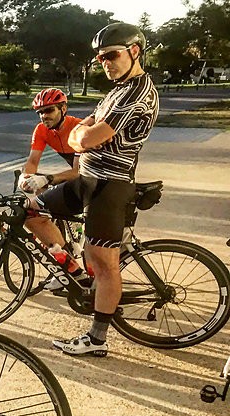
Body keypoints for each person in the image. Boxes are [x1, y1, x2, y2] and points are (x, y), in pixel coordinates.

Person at [30, 22, 159, 357]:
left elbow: (86, 137)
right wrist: (82, 136)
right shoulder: (118, 89)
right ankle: (72, 271)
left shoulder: (137, 92)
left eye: (111, 55)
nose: (105, 63)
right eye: (100, 58)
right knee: (31, 210)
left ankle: (97, 340)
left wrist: (81, 137)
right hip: (87, 180)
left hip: (110, 185)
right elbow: (84, 128)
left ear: (134, 51)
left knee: (104, 263)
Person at [18, 88, 87, 292]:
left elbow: (78, 171)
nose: (44, 116)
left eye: (49, 110)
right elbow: (33, 161)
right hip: (78, 178)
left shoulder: (78, 128)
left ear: (63, 109)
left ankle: (68, 267)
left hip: (92, 179)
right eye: (40, 112)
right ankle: (65, 266)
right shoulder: (42, 129)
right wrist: (26, 177)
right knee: (36, 206)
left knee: (35, 212)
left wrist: (48, 178)